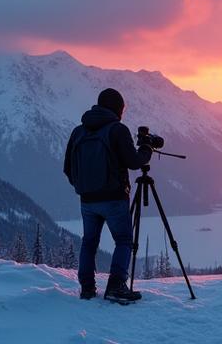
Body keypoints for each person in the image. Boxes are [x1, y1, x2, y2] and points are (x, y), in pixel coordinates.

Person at [63, 88, 152, 302]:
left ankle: (87, 288)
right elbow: (133, 162)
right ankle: (115, 286)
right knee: (123, 241)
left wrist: (83, 187)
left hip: (87, 200)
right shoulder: (117, 130)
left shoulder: (78, 132)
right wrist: (146, 151)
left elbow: (68, 168)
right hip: (114, 198)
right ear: (117, 108)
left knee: (89, 243)